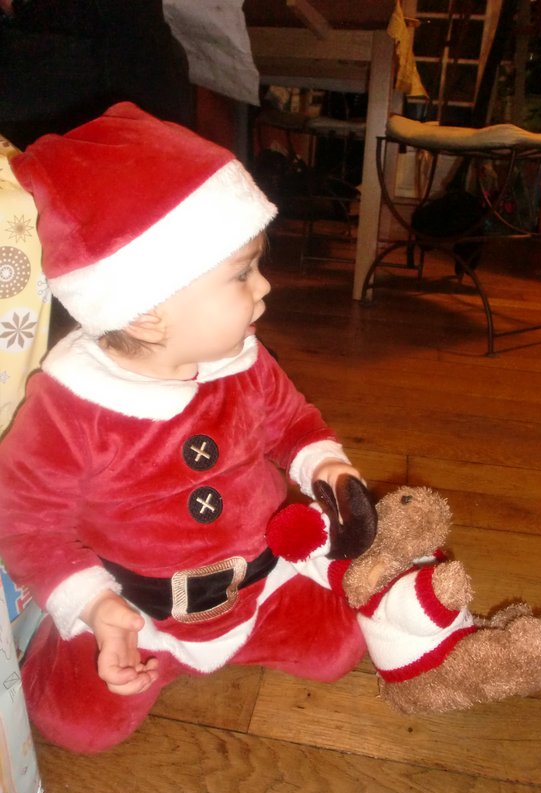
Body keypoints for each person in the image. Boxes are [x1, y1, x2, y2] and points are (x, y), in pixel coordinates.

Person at [0, 102, 369, 753]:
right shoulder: (68, 404)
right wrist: (95, 606)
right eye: (242, 274)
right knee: (78, 724)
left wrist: (324, 464)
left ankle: (253, 627)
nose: (265, 287)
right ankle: (89, 648)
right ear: (148, 311)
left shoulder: (244, 362)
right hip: (138, 610)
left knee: (340, 645)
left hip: (259, 582)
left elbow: (293, 422)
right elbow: (24, 521)